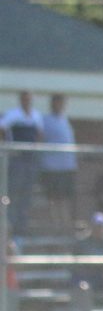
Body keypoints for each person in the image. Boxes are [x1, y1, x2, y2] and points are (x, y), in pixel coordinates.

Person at [1, 91, 45, 235]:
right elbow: (2, 128)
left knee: (26, 193)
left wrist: (36, 149)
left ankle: (22, 226)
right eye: (24, 99)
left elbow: (39, 133)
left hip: (30, 160)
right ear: (20, 100)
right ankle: (11, 225)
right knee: (14, 191)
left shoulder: (36, 116)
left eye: (29, 99)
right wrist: (8, 147)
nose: (27, 102)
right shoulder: (13, 115)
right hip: (17, 159)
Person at [39, 95, 76, 229]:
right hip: (52, 167)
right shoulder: (45, 120)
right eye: (57, 103)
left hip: (67, 167)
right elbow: (40, 139)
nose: (59, 105)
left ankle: (65, 223)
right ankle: (55, 224)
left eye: (62, 103)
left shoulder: (64, 120)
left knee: (65, 198)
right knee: (54, 198)